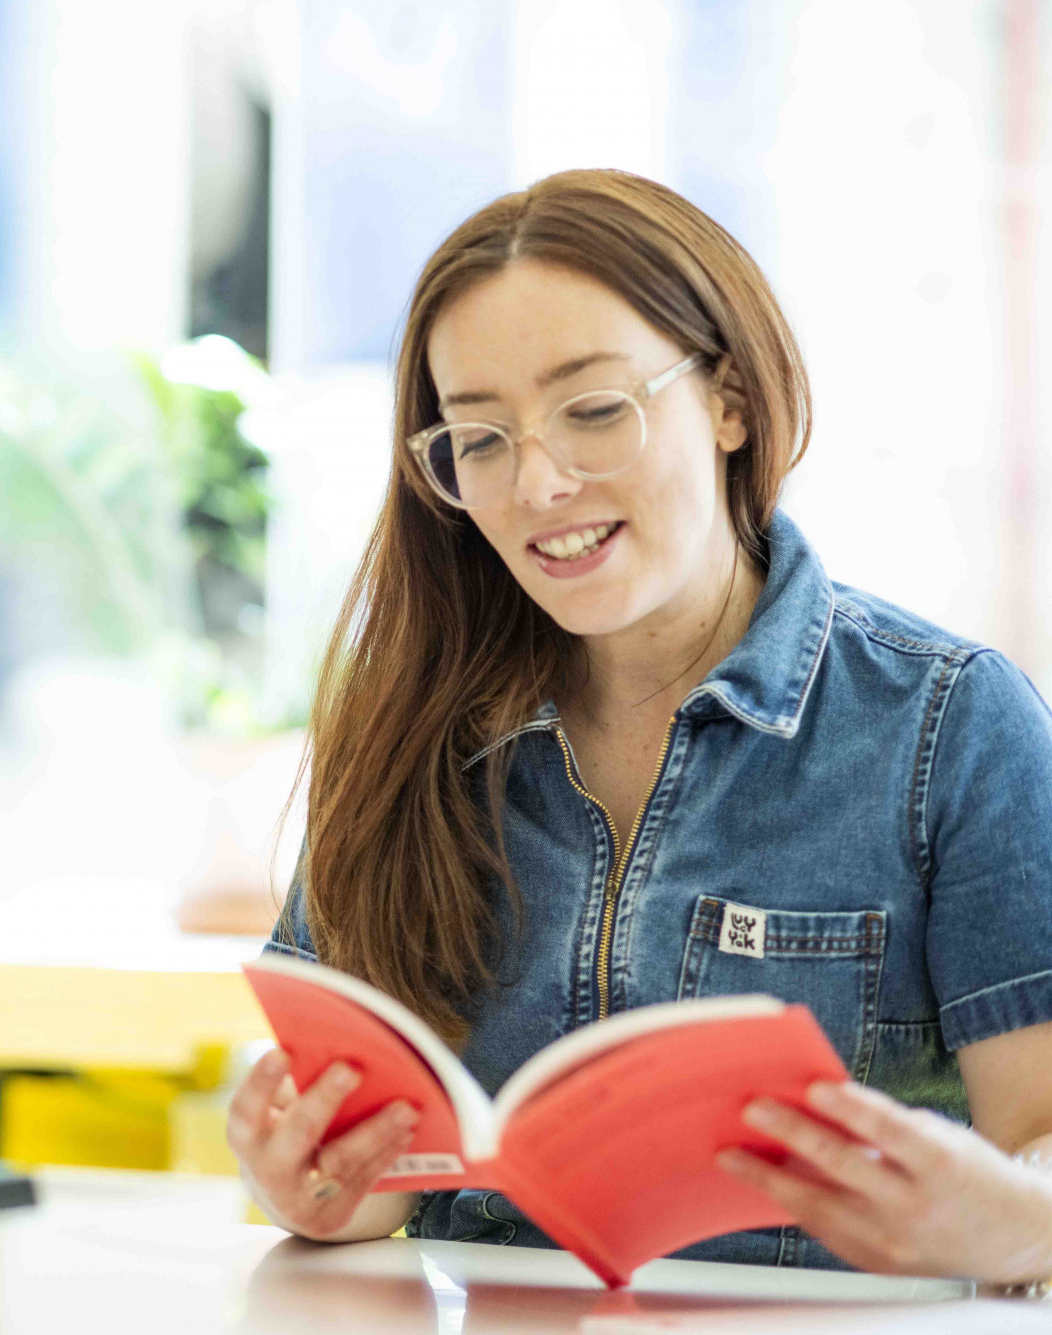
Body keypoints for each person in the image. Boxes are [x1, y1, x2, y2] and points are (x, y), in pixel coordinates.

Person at [227, 169, 1052, 1289]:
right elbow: (374, 1183)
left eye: (593, 410)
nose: (537, 484)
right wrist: (313, 1183)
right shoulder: (408, 727)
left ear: (729, 403)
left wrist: (1005, 1214)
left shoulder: (947, 724)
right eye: (477, 437)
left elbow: (1034, 1156)